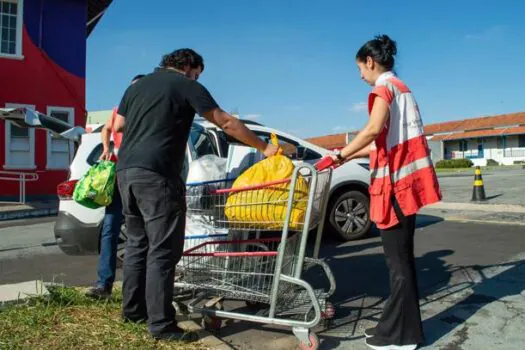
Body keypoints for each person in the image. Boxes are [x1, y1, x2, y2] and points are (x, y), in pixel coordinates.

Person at [112, 48, 280, 341]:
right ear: (189, 67)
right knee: (163, 251)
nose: (198, 77)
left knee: (138, 244)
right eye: (198, 73)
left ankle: (133, 311)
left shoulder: (137, 87)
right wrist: (264, 147)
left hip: (126, 172)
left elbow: (119, 125)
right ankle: (162, 326)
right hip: (158, 174)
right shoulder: (186, 85)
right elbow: (225, 122)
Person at [331, 35, 441, 350]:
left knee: (398, 264)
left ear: (370, 61)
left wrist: (340, 155)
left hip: (395, 187)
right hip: (409, 184)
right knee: (402, 261)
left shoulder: (384, 89)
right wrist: (343, 156)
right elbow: (380, 142)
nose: (360, 76)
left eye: (360, 69)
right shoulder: (403, 90)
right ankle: (395, 329)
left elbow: (372, 130)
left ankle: (401, 337)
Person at [85, 74, 145, 300]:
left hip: (140, 176)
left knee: (139, 232)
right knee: (110, 229)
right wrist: (106, 147)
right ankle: (104, 285)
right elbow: (108, 128)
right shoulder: (120, 109)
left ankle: (139, 287)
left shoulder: (148, 110)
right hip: (120, 176)